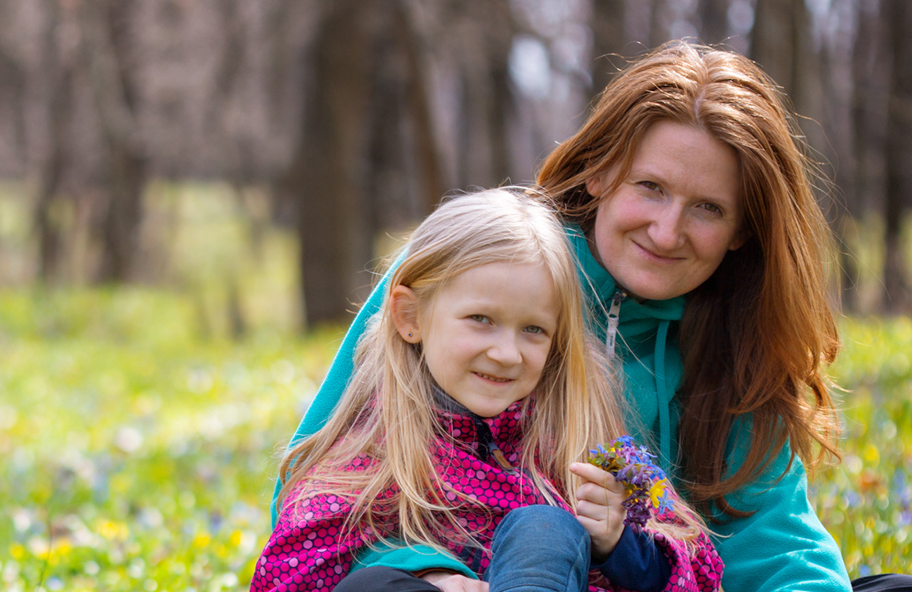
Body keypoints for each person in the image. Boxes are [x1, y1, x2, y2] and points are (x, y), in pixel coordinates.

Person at [279, 42, 912, 592]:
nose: (667, 229)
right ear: (600, 172)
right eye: (650, 187)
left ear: (742, 231)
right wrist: (432, 574)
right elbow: (322, 489)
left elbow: (771, 540)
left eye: (707, 207)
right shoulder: (485, 270)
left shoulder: (739, 339)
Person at [254, 188, 722, 592]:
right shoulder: (379, 439)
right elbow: (293, 566)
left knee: (542, 527)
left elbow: (695, 566)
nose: (506, 353)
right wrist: (427, 572)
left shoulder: (579, 433)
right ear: (410, 317)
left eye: (533, 330)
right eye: (481, 320)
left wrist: (619, 544)